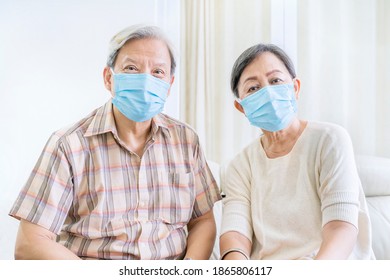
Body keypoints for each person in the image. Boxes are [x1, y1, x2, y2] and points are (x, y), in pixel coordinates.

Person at [9, 24, 221, 260]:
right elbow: (30, 243)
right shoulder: (69, 145)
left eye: (158, 72)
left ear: (169, 85)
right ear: (109, 78)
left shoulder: (186, 140)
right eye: (131, 68)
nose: (145, 81)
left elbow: (202, 220)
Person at [219, 43, 375, 260]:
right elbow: (235, 235)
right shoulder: (240, 165)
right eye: (253, 88)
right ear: (242, 108)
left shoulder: (329, 140)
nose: (268, 93)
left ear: (295, 88)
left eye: (275, 81)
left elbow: (341, 227)